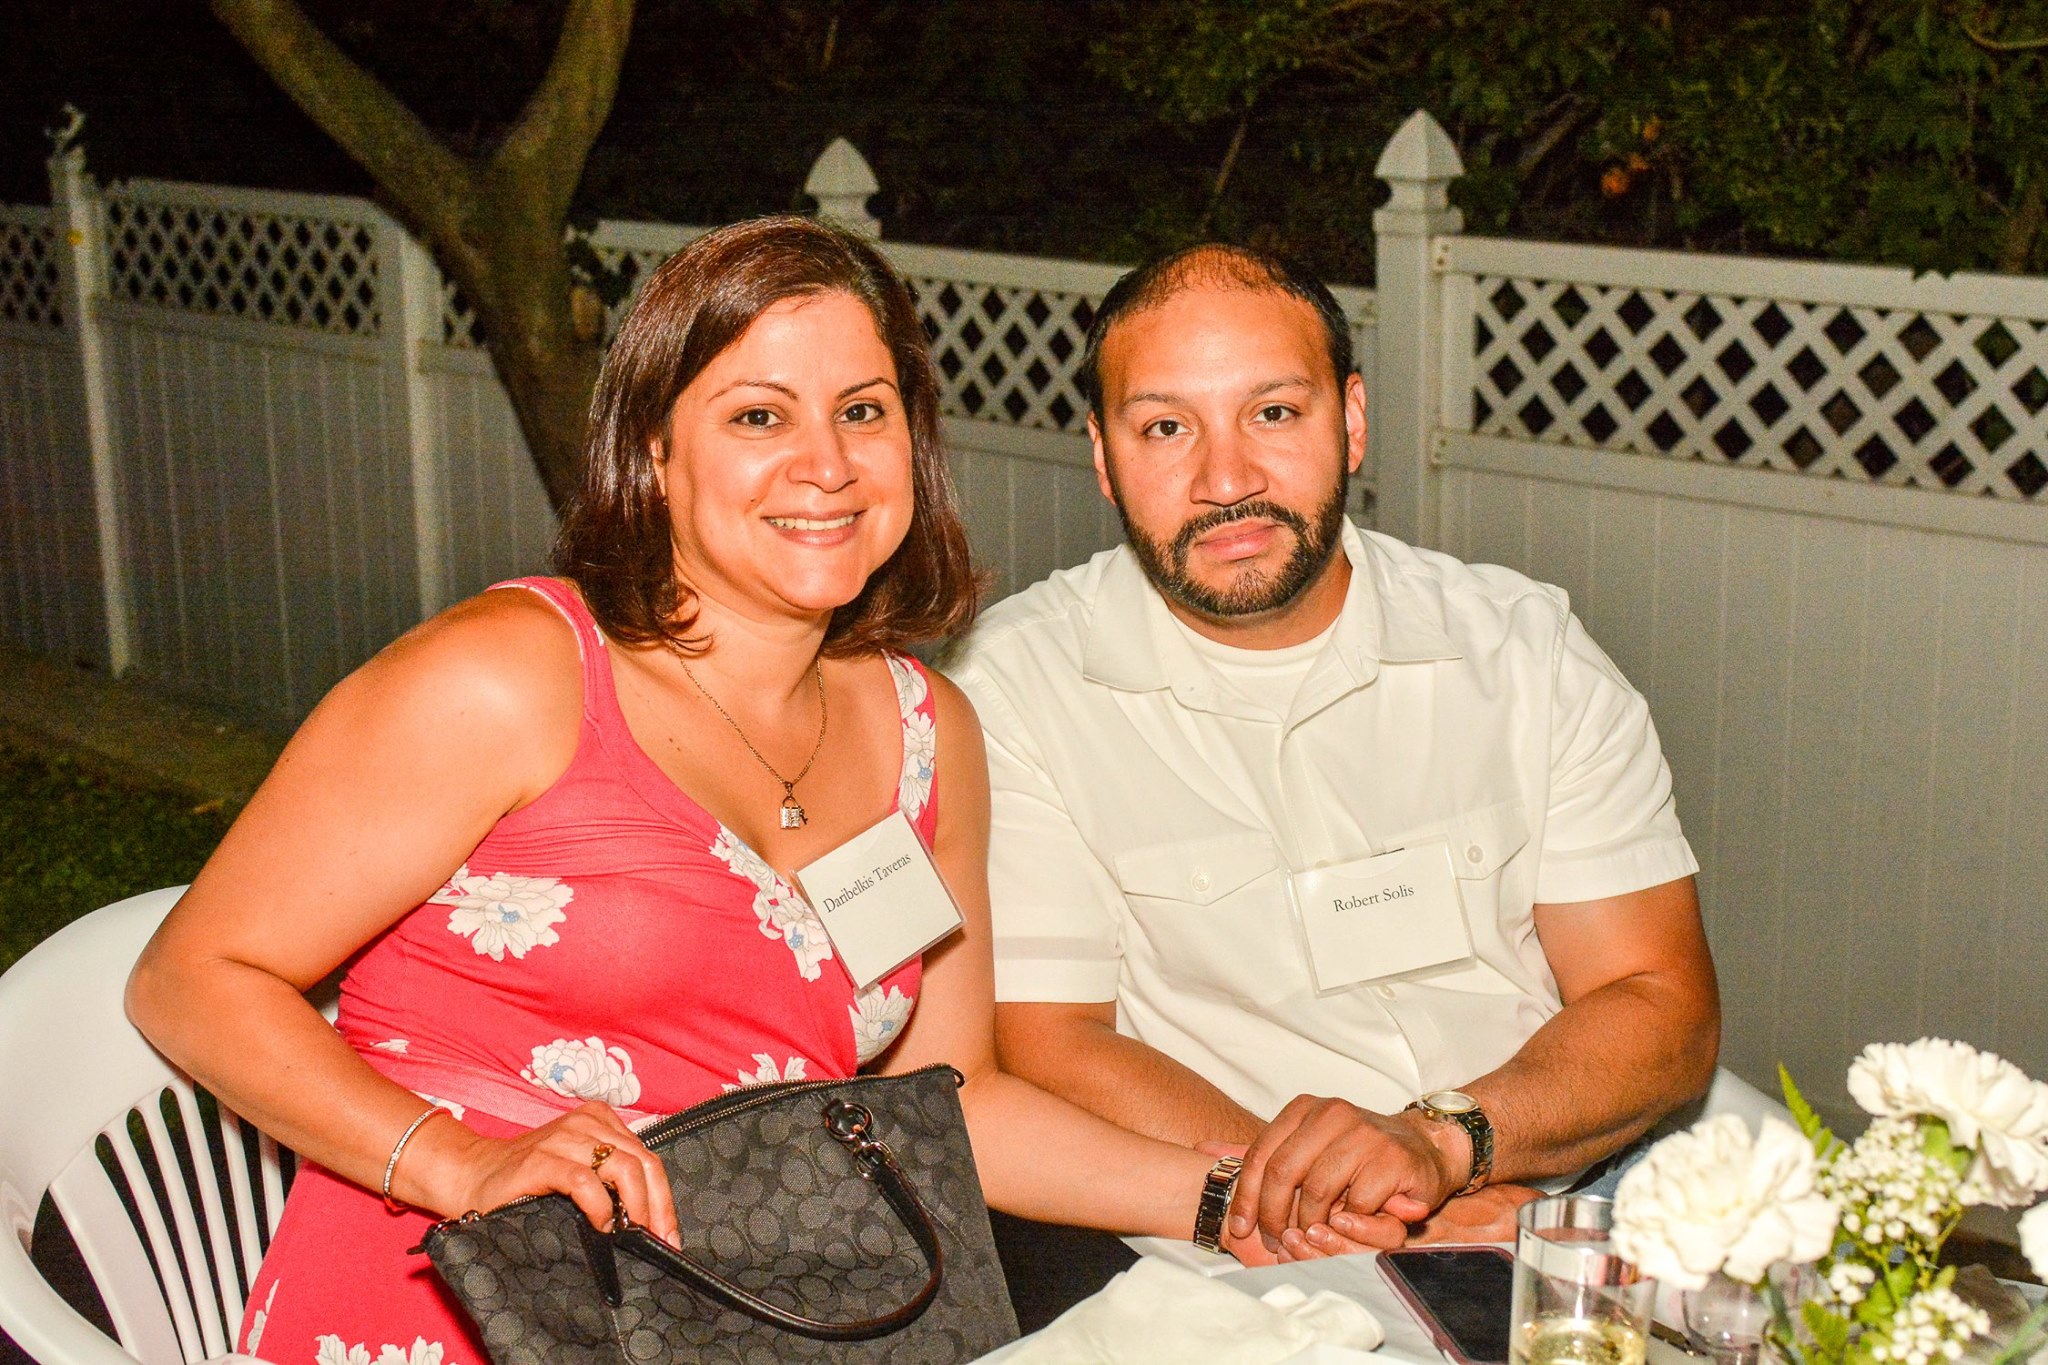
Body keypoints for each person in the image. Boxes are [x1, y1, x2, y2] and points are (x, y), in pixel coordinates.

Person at [126, 217, 1270, 1364]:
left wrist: (1242, 1197)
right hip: (463, 1286)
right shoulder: (509, 680)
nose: (825, 463)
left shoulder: (928, 735)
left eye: (862, 411)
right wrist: (459, 1162)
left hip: (745, 1307)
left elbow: (954, 1098)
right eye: (758, 416)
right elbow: (191, 980)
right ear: (654, 452)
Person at [944, 242, 1722, 1273]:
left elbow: (1658, 997)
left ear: (1351, 421)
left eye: (1273, 412)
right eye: (1166, 427)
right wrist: (1358, 1205)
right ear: (1102, 456)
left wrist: (1448, 1142)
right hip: (1250, 1243)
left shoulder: (1522, 649)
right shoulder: (1012, 687)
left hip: (1559, 1184)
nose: (1226, 479)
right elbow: (1050, 1037)